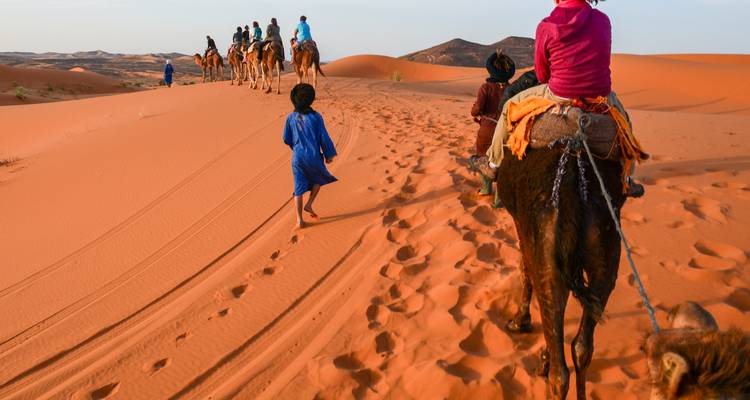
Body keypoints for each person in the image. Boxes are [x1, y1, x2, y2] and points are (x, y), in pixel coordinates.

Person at [478, 0, 646, 197]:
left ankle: (493, 164)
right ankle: (626, 179)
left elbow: (542, 74)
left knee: (508, 107)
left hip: (558, 93)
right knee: (623, 120)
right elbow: (602, 60)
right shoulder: (603, 21)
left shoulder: (546, 25)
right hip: (599, 95)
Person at [283, 83, 337, 228]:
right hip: (313, 157)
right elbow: (323, 137)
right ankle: (310, 203)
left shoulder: (290, 117)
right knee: (319, 178)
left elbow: (286, 138)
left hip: (297, 158)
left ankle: (299, 220)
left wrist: (295, 148)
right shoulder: (316, 117)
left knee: (298, 188)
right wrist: (329, 155)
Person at [469, 51, 515, 199]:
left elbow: (476, 109)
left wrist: (475, 112)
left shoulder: (486, 88)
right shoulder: (513, 88)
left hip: (487, 129)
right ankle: (499, 198)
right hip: (507, 130)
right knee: (502, 161)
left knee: (484, 159)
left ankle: (486, 188)